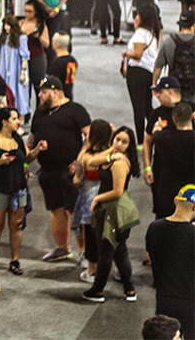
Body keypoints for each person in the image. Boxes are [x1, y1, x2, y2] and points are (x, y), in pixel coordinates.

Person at [30, 76, 91, 262]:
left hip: (69, 171)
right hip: (48, 170)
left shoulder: (75, 110)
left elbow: (89, 136)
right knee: (56, 210)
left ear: (55, 92)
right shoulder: (40, 113)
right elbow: (30, 140)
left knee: (76, 211)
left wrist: (79, 161)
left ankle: (85, 251)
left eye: (43, 92)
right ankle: (62, 248)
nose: (39, 95)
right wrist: (27, 158)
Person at [82, 122, 139, 304]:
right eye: (117, 139)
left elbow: (117, 191)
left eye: (124, 142)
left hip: (114, 210)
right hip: (113, 209)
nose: (119, 144)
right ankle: (129, 289)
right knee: (119, 250)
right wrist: (111, 154)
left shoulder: (120, 164)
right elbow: (90, 162)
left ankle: (98, 290)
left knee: (106, 251)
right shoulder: (113, 158)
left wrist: (97, 199)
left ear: (130, 145)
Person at [0, 109, 42, 275]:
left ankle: (15, 260)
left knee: (17, 226)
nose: (18, 122)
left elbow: (27, 158)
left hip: (18, 189)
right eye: (14, 119)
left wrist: (37, 149)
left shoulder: (18, 139)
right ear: (4, 122)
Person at [146, 184, 195, 339]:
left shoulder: (154, 228)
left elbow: (151, 257)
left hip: (163, 300)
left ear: (175, 201)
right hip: (191, 302)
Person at [150, 103, 195, 219]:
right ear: (191, 117)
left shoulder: (162, 138)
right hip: (191, 190)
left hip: (168, 191)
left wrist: (159, 126)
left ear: (174, 119)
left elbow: (155, 132)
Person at [124, 5, 162, 138]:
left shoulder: (140, 33)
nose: (135, 18)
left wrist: (126, 53)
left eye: (137, 15)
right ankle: (156, 131)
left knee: (138, 109)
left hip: (136, 73)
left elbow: (137, 54)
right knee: (147, 107)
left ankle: (140, 141)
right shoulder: (153, 34)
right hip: (148, 73)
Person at [153, 10, 195, 103]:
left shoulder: (169, 41)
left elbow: (158, 66)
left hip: (174, 90)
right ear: (193, 25)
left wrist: (154, 83)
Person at [0, 15, 31, 118]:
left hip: (16, 69)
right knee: (6, 91)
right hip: (5, 68)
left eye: (8, 25)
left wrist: (23, 72)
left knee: (19, 93)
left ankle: (21, 118)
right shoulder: (4, 38)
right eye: (5, 25)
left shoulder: (21, 38)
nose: (6, 27)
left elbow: (25, 57)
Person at [22, 0, 51, 101]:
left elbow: (47, 44)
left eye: (30, 11)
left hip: (37, 58)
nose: (27, 14)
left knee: (38, 86)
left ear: (36, 12)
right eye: (25, 11)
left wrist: (38, 36)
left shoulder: (40, 25)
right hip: (23, 59)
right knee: (24, 86)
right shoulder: (21, 23)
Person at [47, 33, 78, 101]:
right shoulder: (73, 61)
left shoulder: (56, 64)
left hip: (58, 97)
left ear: (57, 45)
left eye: (53, 41)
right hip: (68, 94)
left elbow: (52, 83)